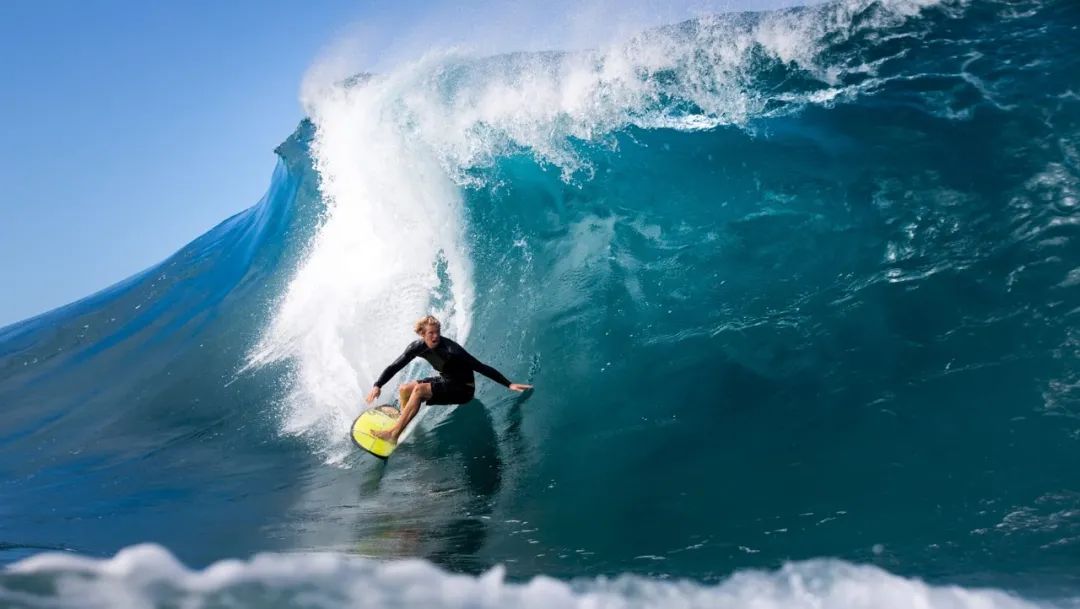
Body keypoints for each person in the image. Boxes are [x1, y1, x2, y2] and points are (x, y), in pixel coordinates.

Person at [365, 315, 532, 442]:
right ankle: (403, 420)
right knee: (404, 389)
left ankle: (394, 433)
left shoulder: (452, 350)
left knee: (418, 390)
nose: (435, 336)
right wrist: (378, 385)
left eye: (437, 332)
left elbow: (480, 367)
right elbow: (395, 366)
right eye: (431, 333)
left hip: (463, 389)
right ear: (422, 334)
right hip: (446, 380)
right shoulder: (417, 348)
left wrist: (508, 384)